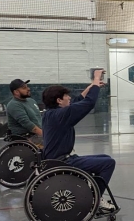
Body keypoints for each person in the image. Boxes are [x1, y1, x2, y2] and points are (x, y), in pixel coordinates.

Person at [41, 70, 116, 211]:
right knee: (108, 163)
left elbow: (76, 102)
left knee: (104, 157)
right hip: (64, 162)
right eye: (66, 96)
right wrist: (96, 78)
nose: (69, 98)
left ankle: (90, 192)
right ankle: (95, 198)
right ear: (59, 101)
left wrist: (91, 87)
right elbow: (89, 103)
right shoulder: (62, 114)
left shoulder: (50, 114)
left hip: (55, 159)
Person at [6, 78, 44, 147]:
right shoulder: (14, 104)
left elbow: (38, 119)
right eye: (24, 88)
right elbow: (27, 123)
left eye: (27, 87)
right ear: (16, 92)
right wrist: (45, 134)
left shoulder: (31, 101)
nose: (28, 89)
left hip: (36, 135)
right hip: (25, 137)